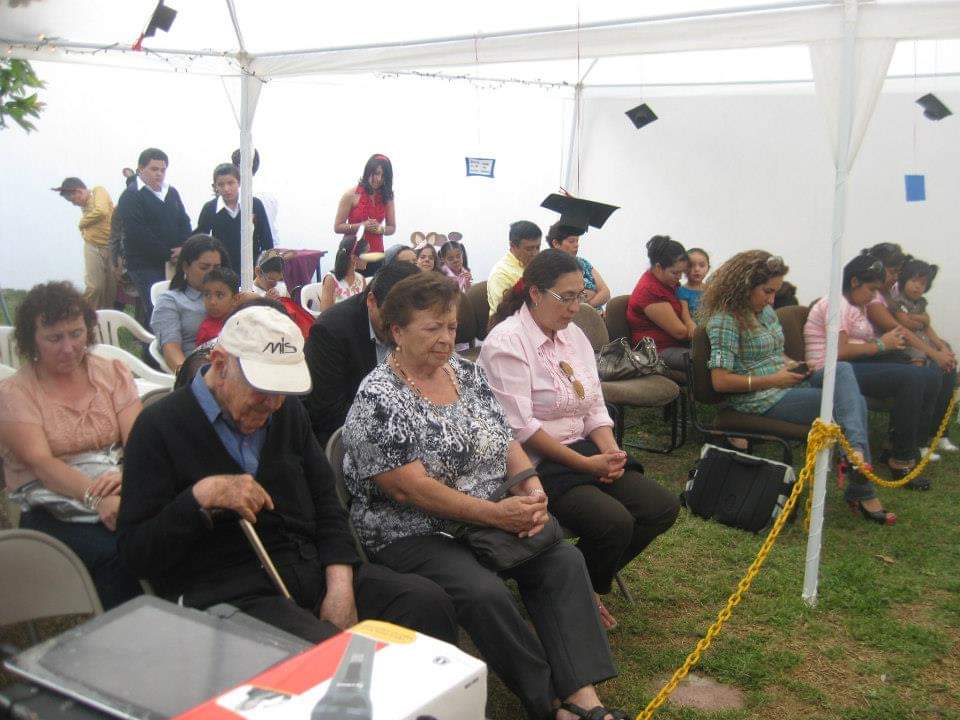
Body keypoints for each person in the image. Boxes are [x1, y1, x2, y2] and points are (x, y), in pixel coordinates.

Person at [343, 272, 630, 720]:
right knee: (483, 592)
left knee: (562, 561)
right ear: (396, 331)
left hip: (484, 515)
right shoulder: (378, 397)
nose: (445, 338)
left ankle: (583, 696)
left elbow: (505, 438)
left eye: (451, 326)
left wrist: (533, 491)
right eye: (432, 328)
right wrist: (497, 515)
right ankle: (548, 702)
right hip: (412, 531)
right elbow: (409, 488)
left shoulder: (465, 372)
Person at [116, 305, 457, 645]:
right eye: (262, 390)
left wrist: (340, 583)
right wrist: (199, 497)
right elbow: (137, 553)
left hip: (311, 569)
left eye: (283, 391)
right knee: (322, 651)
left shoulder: (286, 411)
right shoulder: (158, 427)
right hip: (232, 593)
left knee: (425, 603)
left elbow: (327, 502)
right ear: (220, 365)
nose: (273, 404)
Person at [480, 250, 679, 630]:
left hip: (584, 452)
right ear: (535, 293)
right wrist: (587, 464)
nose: (575, 307)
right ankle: (574, 589)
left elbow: (593, 405)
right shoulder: (506, 342)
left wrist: (611, 452)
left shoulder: (573, 336)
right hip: (535, 465)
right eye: (566, 297)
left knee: (661, 507)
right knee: (613, 523)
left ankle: (576, 583)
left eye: (580, 295)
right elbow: (520, 429)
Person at [701, 250, 893, 524]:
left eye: (775, 292)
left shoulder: (764, 312)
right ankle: (859, 475)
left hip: (785, 382)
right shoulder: (725, 321)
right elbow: (720, 381)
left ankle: (856, 458)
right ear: (744, 286)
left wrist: (794, 365)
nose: (772, 299)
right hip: (758, 398)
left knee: (842, 370)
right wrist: (775, 379)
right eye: (767, 291)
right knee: (850, 404)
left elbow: (773, 353)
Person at [0, 282, 142, 608]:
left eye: (76, 334)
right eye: (54, 338)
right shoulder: (15, 394)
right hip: (50, 504)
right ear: (31, 340)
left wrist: (125, 478)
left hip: (118, 483)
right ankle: (129, 628)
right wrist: (98, 499)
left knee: (169, 531)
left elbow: (137, 439)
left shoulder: (111, 373)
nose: (68, 348)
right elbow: (42, 464)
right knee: (115, 553)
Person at [804, 254, 937, 489]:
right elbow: (840, 352)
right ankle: (901, 459)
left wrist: (888, 345)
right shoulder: (836, 305)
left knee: (929, 376)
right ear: (854, 282)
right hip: (832, 370)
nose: (873, 296)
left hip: (856, 365)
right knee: (912, 377)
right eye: (871, 289)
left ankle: (899, 444)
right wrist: (882, 345)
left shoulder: (857, 306)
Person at [303, 261, 420, 447]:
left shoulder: (422, 325)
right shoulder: (331, 331)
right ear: (372, 301)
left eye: (408, 322)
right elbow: (327, 413)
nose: (398, 331)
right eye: (391, 320)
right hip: (352, 439)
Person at [863, 243, 957, 459]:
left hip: (900, 346)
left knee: (947, 362)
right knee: (931, 370)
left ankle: (938, 432)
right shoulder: (873, 298)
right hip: (885, 352)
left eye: (898, 272)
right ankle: (914, 439)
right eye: (893, 271)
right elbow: (902, 329)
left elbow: (923, 321)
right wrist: (934, 353)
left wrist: (940, 347)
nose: (895, 277)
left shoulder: (892, 290)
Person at [115, 147, 192, 327]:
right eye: (154, 169)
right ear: (141, 169)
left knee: (175, 308)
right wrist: (168, 254)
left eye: (162, 170)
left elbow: (184, 221)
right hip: (145, 264)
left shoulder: (171, 192)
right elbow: (138, 233)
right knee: (156, 309)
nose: (159, 174)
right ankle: (151, 344)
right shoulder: (131, 196)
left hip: (174, 262)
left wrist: (184, 248)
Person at [890, 257, 959, 454]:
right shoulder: (895, 300)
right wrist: (922, 320)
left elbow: (928, 328)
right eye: (914, 281)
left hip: (924, 345)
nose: (917, 287)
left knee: (948, 366)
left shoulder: (920, 303)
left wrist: (942, 348)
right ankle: (919, 441)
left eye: (922, 284)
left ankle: (939, 433)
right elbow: (906, 323)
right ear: (904, 279)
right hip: (907, 350)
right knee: (932, 375)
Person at [152, 234, 228, 374]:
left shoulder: (230, 298)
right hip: (199, 372)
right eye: (204, 267)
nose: (212, 273)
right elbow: (171, 349)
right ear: (186, 267)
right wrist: (189, 378)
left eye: (217, 267)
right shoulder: (170, 301)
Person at [626, 236, 694, 371]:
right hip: (657, 351)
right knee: (709, 361)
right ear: (658, 267)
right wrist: (702, 333)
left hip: (676, 346)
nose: (679, 277)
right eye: (675, 273)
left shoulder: (670, 283)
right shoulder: (649, 290)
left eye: (681, 273)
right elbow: (679, 332)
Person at [52, 177, 117, 310]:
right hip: (93, 246)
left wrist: (82, 223)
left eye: (73, 200)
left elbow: (102, 211)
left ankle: (106, 319)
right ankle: (84, 315)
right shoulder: (84, 206)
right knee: (95, 287)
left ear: (79, 191)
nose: (74, 204)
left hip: (111, 246)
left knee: (110, 289)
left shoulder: (98, 191)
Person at [195, 163, 274, 274]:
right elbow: (199, 238)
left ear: (239, 182)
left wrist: (267, 269)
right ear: (215, 186)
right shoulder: (210, 208)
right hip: (222, 270)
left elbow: (266, 239)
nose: (226, 189)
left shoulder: (254, 204)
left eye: (230, 183)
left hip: (251, 268)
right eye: (221, 185)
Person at [334, 154, 396, 274]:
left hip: (376, 253)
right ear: (368, 171)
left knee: (373, 285)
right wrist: (362, 226)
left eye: (384, 176)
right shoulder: (350, 195)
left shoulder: (387, 196)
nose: (379, 179)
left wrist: (380, 229)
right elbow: (337, 227)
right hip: (352, 253)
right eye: (376, 173)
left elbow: (392, 227)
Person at [546, 223, 610, 310]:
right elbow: (567, 298)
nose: (576, 245)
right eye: (571, 241)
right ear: (556, 243)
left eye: (577, 241)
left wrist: (588, 307)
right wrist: (593, 294)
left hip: (594, 315)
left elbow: (606, 293)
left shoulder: (583, 263)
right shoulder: (550, 267)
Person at [487, 221, 542, 317]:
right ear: (512, 246)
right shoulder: (500, 274)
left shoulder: (537, 265)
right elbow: (503, 312)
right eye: (529, 249)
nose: (535, 253)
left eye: (538, 247)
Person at [232, 148, 280, 244]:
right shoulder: (270, 194)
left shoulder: (238, 194)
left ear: (238, 166)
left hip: (250, 247)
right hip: (272, 247)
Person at [320, 237, 367, 312]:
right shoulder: (331, 279)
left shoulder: (361, 279)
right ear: (354, 258)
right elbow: (324, 313)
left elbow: (364, 309)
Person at [195, 266, 240, 345]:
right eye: (207, 295)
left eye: (219, 295)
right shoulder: (206, 330)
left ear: (235, 299)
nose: (212, 302)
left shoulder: (243, 320)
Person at [677, 247, 709, 319]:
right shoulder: (681, 291)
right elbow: (687, 320)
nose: (697, 269)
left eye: (702, 265)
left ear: (708, 268)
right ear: (683, 268)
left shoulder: (711, 289)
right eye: (691, 265)